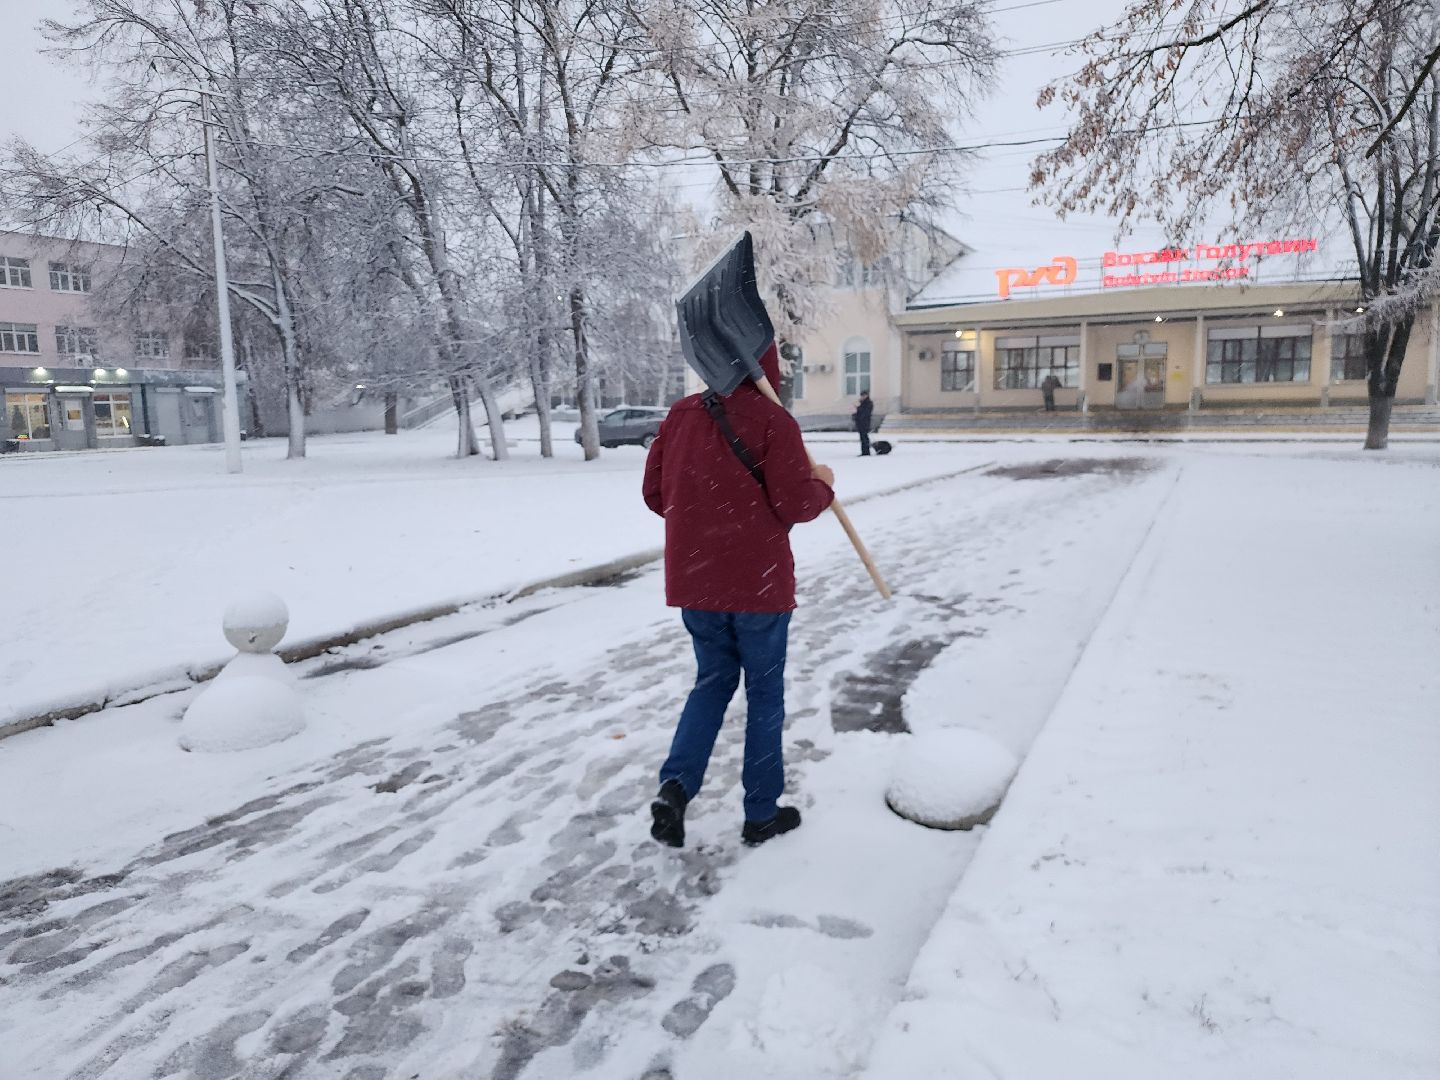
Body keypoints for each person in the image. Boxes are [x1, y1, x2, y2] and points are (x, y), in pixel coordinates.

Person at [642, 342, 835, 848]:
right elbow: (795, 504)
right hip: (760, 586)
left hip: (696, 584)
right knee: (764, 695)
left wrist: (705, 515)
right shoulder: (775, 421)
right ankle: (760, 813)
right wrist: (824, 486)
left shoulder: (681, 415)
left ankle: (676, 788)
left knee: (710, 684)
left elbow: (655, 495)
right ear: (765, 367)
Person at [852, 390, 874, 456]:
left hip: (864, 423)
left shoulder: (868, 403)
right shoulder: (863, 403)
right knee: (863, 437)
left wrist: (858, 410)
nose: (862, 397)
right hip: (861, 423)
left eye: (863, 395)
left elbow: (865, 413)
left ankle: (866, 452)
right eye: (861, 395)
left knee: (864, 437)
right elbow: (860, 412)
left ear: (866, 395)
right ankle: (864, 451)